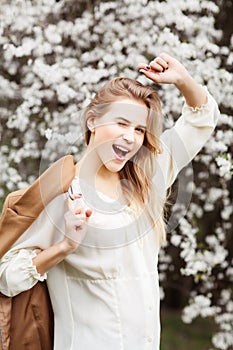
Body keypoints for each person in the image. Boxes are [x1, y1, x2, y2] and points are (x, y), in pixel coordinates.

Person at [0, 53, 219, 350]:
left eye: (140, 129)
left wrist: (182, 79)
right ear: (92, 120)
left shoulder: (146, 180)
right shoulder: (61, 197)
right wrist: (64, 246)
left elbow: (201, 119)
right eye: (122, 123)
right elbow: (6, 279)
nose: (130, 137)